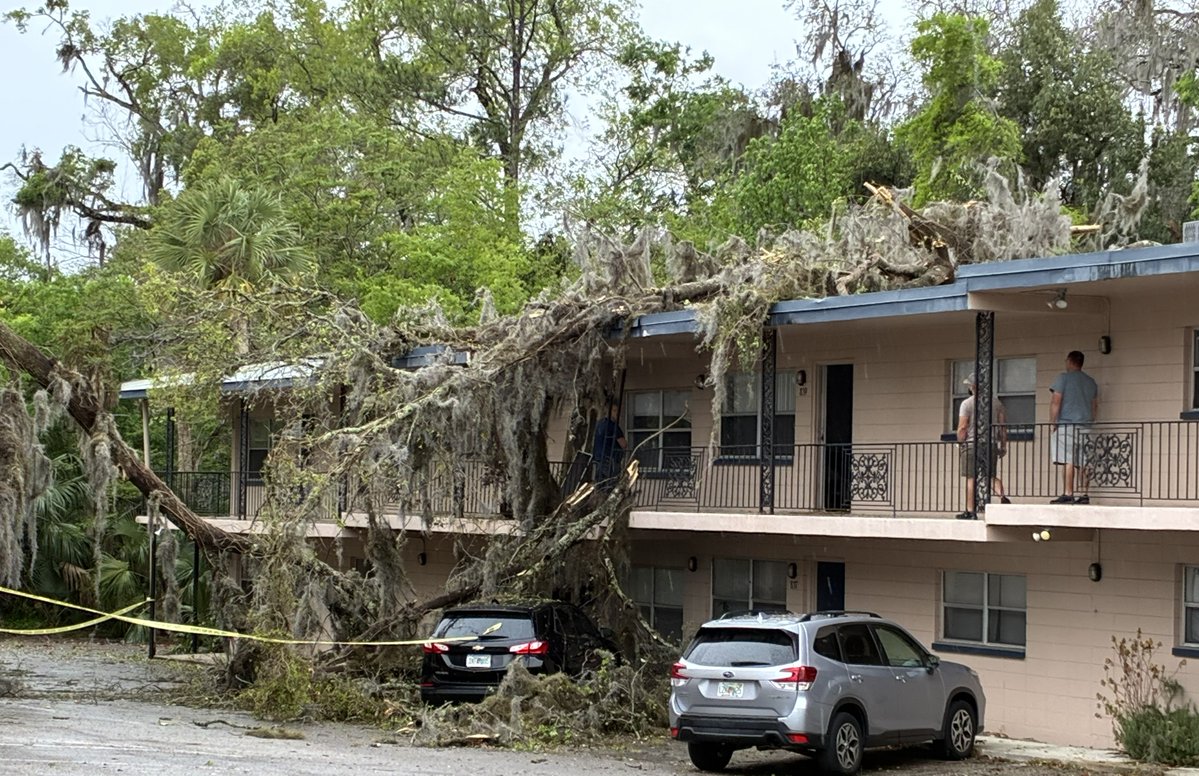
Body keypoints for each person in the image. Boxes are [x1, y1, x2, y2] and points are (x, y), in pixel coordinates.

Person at [956, 372, 1010, 519]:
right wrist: (1003, 445)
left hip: (972, 444)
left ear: (972, 387)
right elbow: (1002, 427)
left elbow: (963, 427)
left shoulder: (967, 404)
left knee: (971, 478)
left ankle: (970, 511)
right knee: (990, 475)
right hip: (991, 444)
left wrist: (960, 441)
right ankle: (1002, 497)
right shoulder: (997, 403)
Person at [1049, 350, 1099, 504]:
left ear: (1070, 361)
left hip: (1067, 425)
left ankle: (1068, 493)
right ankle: (1084, 494)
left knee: (1068, 459)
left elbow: (1056, 401)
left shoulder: (1063, 378)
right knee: (1084, 461)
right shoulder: (1091, 382)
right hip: (1086, 427)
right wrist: (1090, 421)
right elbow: (1094, 406)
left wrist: (1053, 422)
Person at [591, 400, 627, 491]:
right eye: (614, 410)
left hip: (599, 460)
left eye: (617, 410)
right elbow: (623, 444)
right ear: (609, 411)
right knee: (610, 485)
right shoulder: (613, 426)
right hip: (610, 460)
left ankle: (599, 496)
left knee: (600, 485)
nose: (617, 413)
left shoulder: (600, 424)